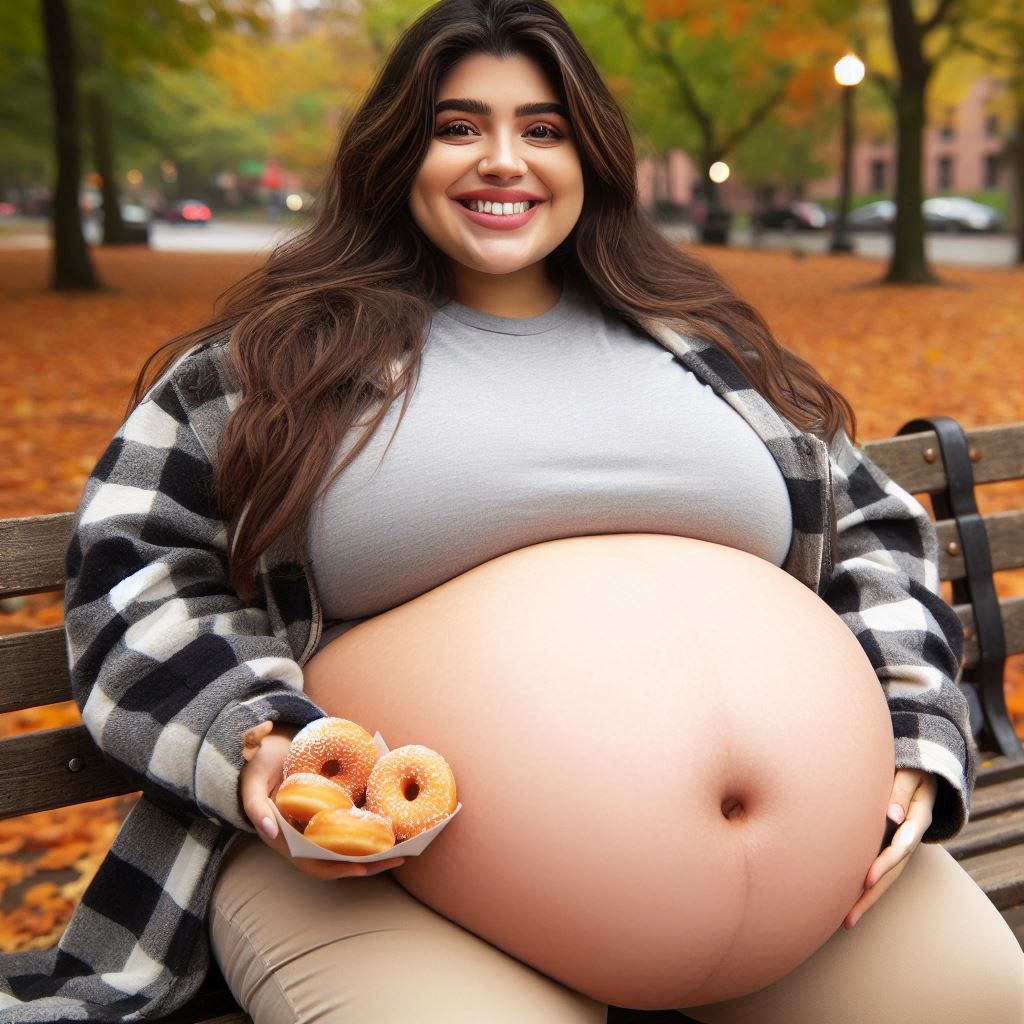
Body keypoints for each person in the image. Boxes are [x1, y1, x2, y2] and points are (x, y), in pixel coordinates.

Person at [3, 0, 1023, 1021]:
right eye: (458, 127)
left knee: (983, 996)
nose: (504, 160)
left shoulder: (706, 348)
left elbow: (876, 534)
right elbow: (135, 567)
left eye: (543, 129)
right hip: (391, 884)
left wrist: (912, 731)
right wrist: (257, 740)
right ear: (399, 151)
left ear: (591, 157)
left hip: (825, 882)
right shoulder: (274, 365)